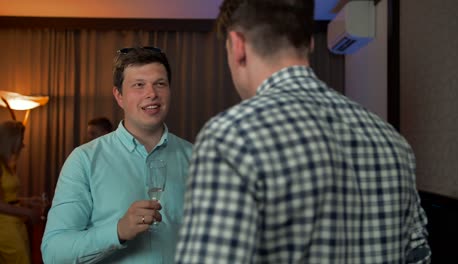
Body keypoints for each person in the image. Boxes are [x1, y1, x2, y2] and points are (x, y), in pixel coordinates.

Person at [175, 0, 431, 263]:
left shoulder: (231, 136)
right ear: (309, 43)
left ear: (237, 45)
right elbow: (418, 256)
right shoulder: (391, 140)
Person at [41, 47, 192, 263]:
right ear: (119, 96)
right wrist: (118, 231)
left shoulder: (198, 159)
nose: (152, 93)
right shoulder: (84, 160)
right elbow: (53, 253)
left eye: (160, 83)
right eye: (139, 85)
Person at [0, 121, 42, 264]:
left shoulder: (7, 164)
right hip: (4, 226)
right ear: (11, 141)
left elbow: (7, 197)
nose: (23, 145)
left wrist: (28, 200)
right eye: (21, 140)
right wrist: (28, 212)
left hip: (15, 222)